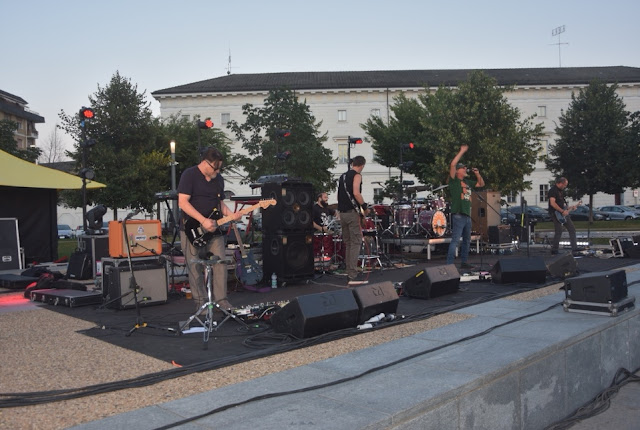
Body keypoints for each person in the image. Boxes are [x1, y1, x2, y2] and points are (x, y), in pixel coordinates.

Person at [178, 147, 241, 313]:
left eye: (219, 168)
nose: (218, 171)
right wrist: (203, 220)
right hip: (192, 228)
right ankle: (201, 303)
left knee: (220, 263)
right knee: (195, 267)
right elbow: (183, 202)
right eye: (215, 167)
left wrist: (231, 214)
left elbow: (219, 203)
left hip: (214, 229)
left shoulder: (218, 179)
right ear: (205, 163)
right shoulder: (189, 175)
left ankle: (222, 301)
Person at [446, 145, 485, 269]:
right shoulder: (454, 181)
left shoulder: (468, 182)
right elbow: (452, 164)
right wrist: (462, 151)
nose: (465, 169)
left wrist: (477, 174)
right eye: (463, 168)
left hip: (467, 214)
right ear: (458, 171)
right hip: (458, 213)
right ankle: (449, 264)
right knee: (456, 240)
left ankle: (464, 262)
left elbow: (481, 184)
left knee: (467, 240)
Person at [338, 156, 367, 284]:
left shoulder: (342, 176)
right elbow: (356, 193)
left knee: (348, 243)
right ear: (362, 165)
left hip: (342, 214)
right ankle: (352, 273)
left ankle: (349, 271)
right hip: (352, 213)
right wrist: (364, 206)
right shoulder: (357, 176)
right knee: (356, 243)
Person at [548, 176, 579, 255]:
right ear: (560, 183)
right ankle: (554, 249)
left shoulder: (560, 192)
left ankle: (574, 248)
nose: (565, 187)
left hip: (562, 213)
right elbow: (552, 203)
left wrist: (570, 207)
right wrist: (562, 211)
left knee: (572, 229)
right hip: (556, 213)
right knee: (559, 231)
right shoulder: (553, 191)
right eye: (564, 185)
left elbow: (562, 204)